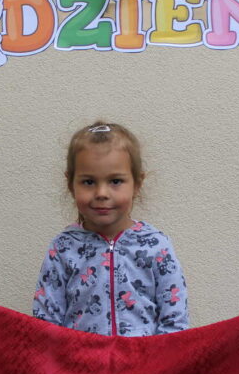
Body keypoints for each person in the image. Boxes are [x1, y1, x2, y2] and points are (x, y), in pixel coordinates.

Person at [33, 121, 188, 336]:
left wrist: (159, 356)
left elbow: (175, 320)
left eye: (115, 181)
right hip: (80, 357)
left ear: (137, 183)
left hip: (144, 358)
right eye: (89, 182)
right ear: (71, 184)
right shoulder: (63, 248)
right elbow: (45, 322)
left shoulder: (156, 245)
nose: (102, 193)